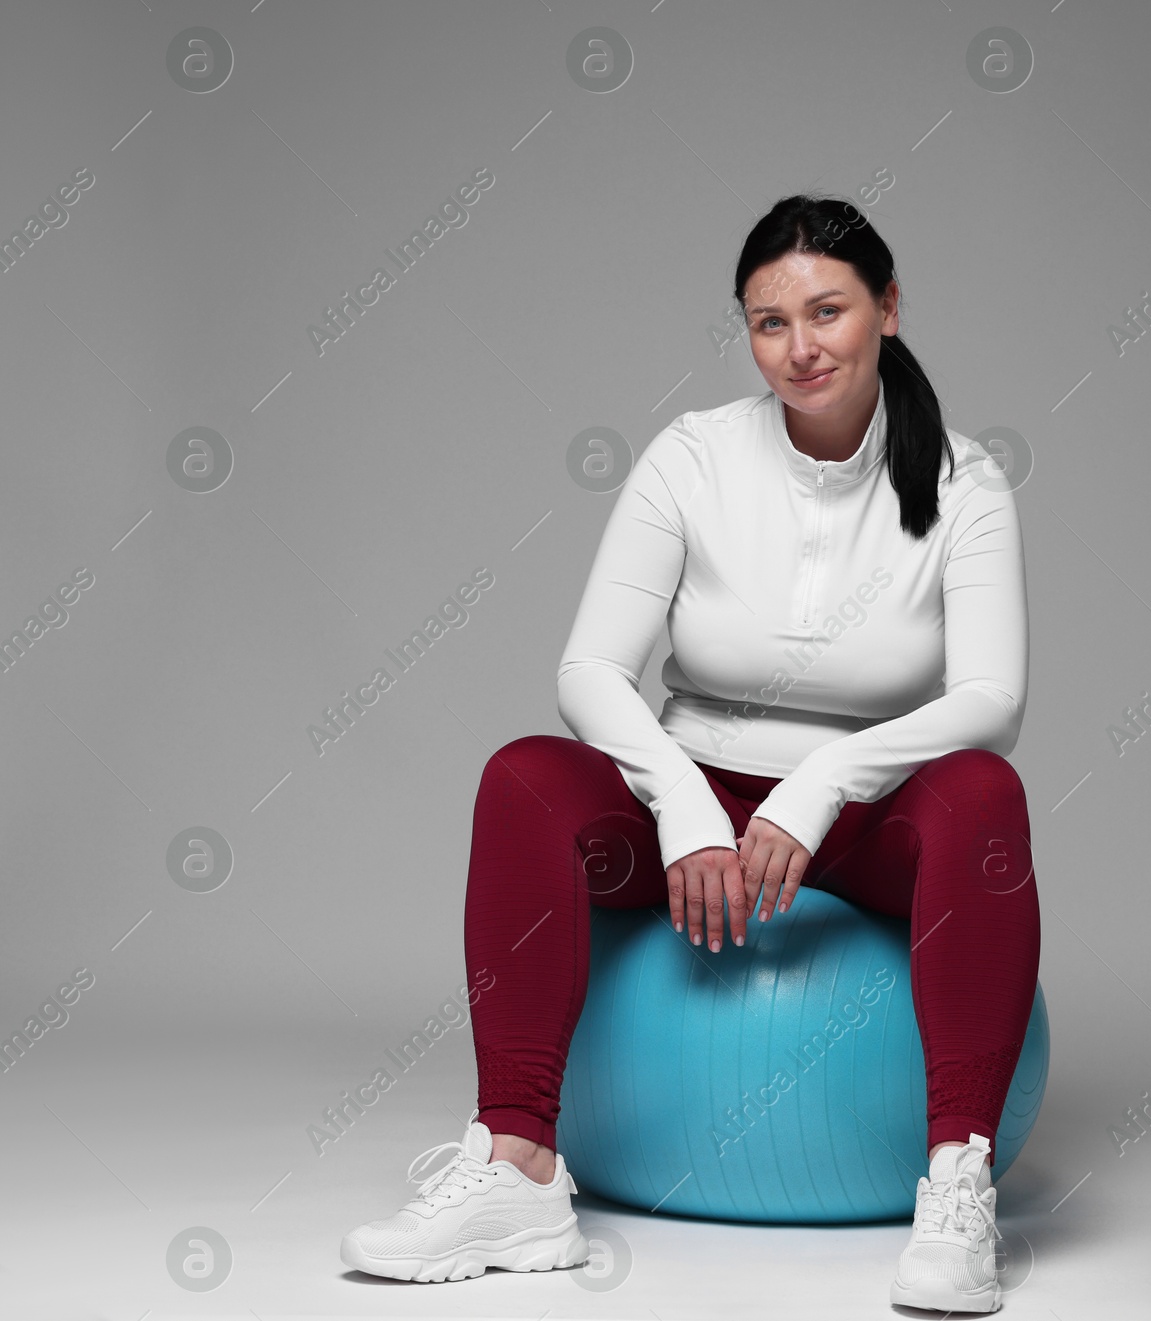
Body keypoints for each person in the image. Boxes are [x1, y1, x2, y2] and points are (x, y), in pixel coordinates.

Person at [340, 194, 1040, 1312]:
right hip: (694, 819)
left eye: (827, 311)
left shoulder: (966, 486)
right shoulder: (693, 455)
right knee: (523, 775)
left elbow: (991, 699)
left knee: (985, 793)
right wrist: (677, 797)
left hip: (863, 829)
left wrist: (822, 781)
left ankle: (957, 1183)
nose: (799, 348)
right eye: (768, 322)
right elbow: (588, 671)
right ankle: (517, 1168)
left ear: (888, 310)